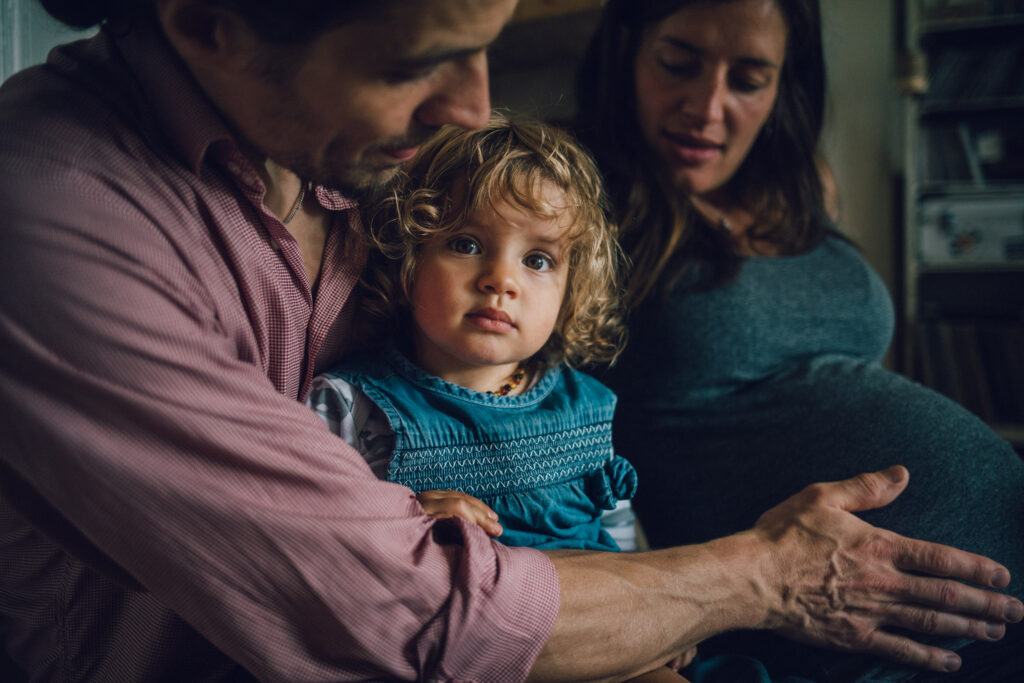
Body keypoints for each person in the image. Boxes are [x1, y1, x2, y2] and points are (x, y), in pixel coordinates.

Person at [0, 0, 1020, 681]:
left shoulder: (362, 160)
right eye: (421, 61)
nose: (474, 108)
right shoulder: (54, 214)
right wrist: (759, 578)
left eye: (483, 43)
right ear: (206, 23)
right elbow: (397, 597)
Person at [574, 0, 1024, 680]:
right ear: (628, 51)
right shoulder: (575, 196)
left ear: (786, 83)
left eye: (749, 78)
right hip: (830, 626)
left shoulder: (806, 185)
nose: (708, 107)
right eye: (678, 64)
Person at [308, 113, 691, 681]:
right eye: (466, 244)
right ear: (410, 258)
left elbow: (619, 531)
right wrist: (402, 521)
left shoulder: (584, 406)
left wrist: (654, 617)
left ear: (571, 286)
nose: (500, 279)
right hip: (447, 649)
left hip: (589, 634)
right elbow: (305, 538)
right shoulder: (351, 405)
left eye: (538, 260)